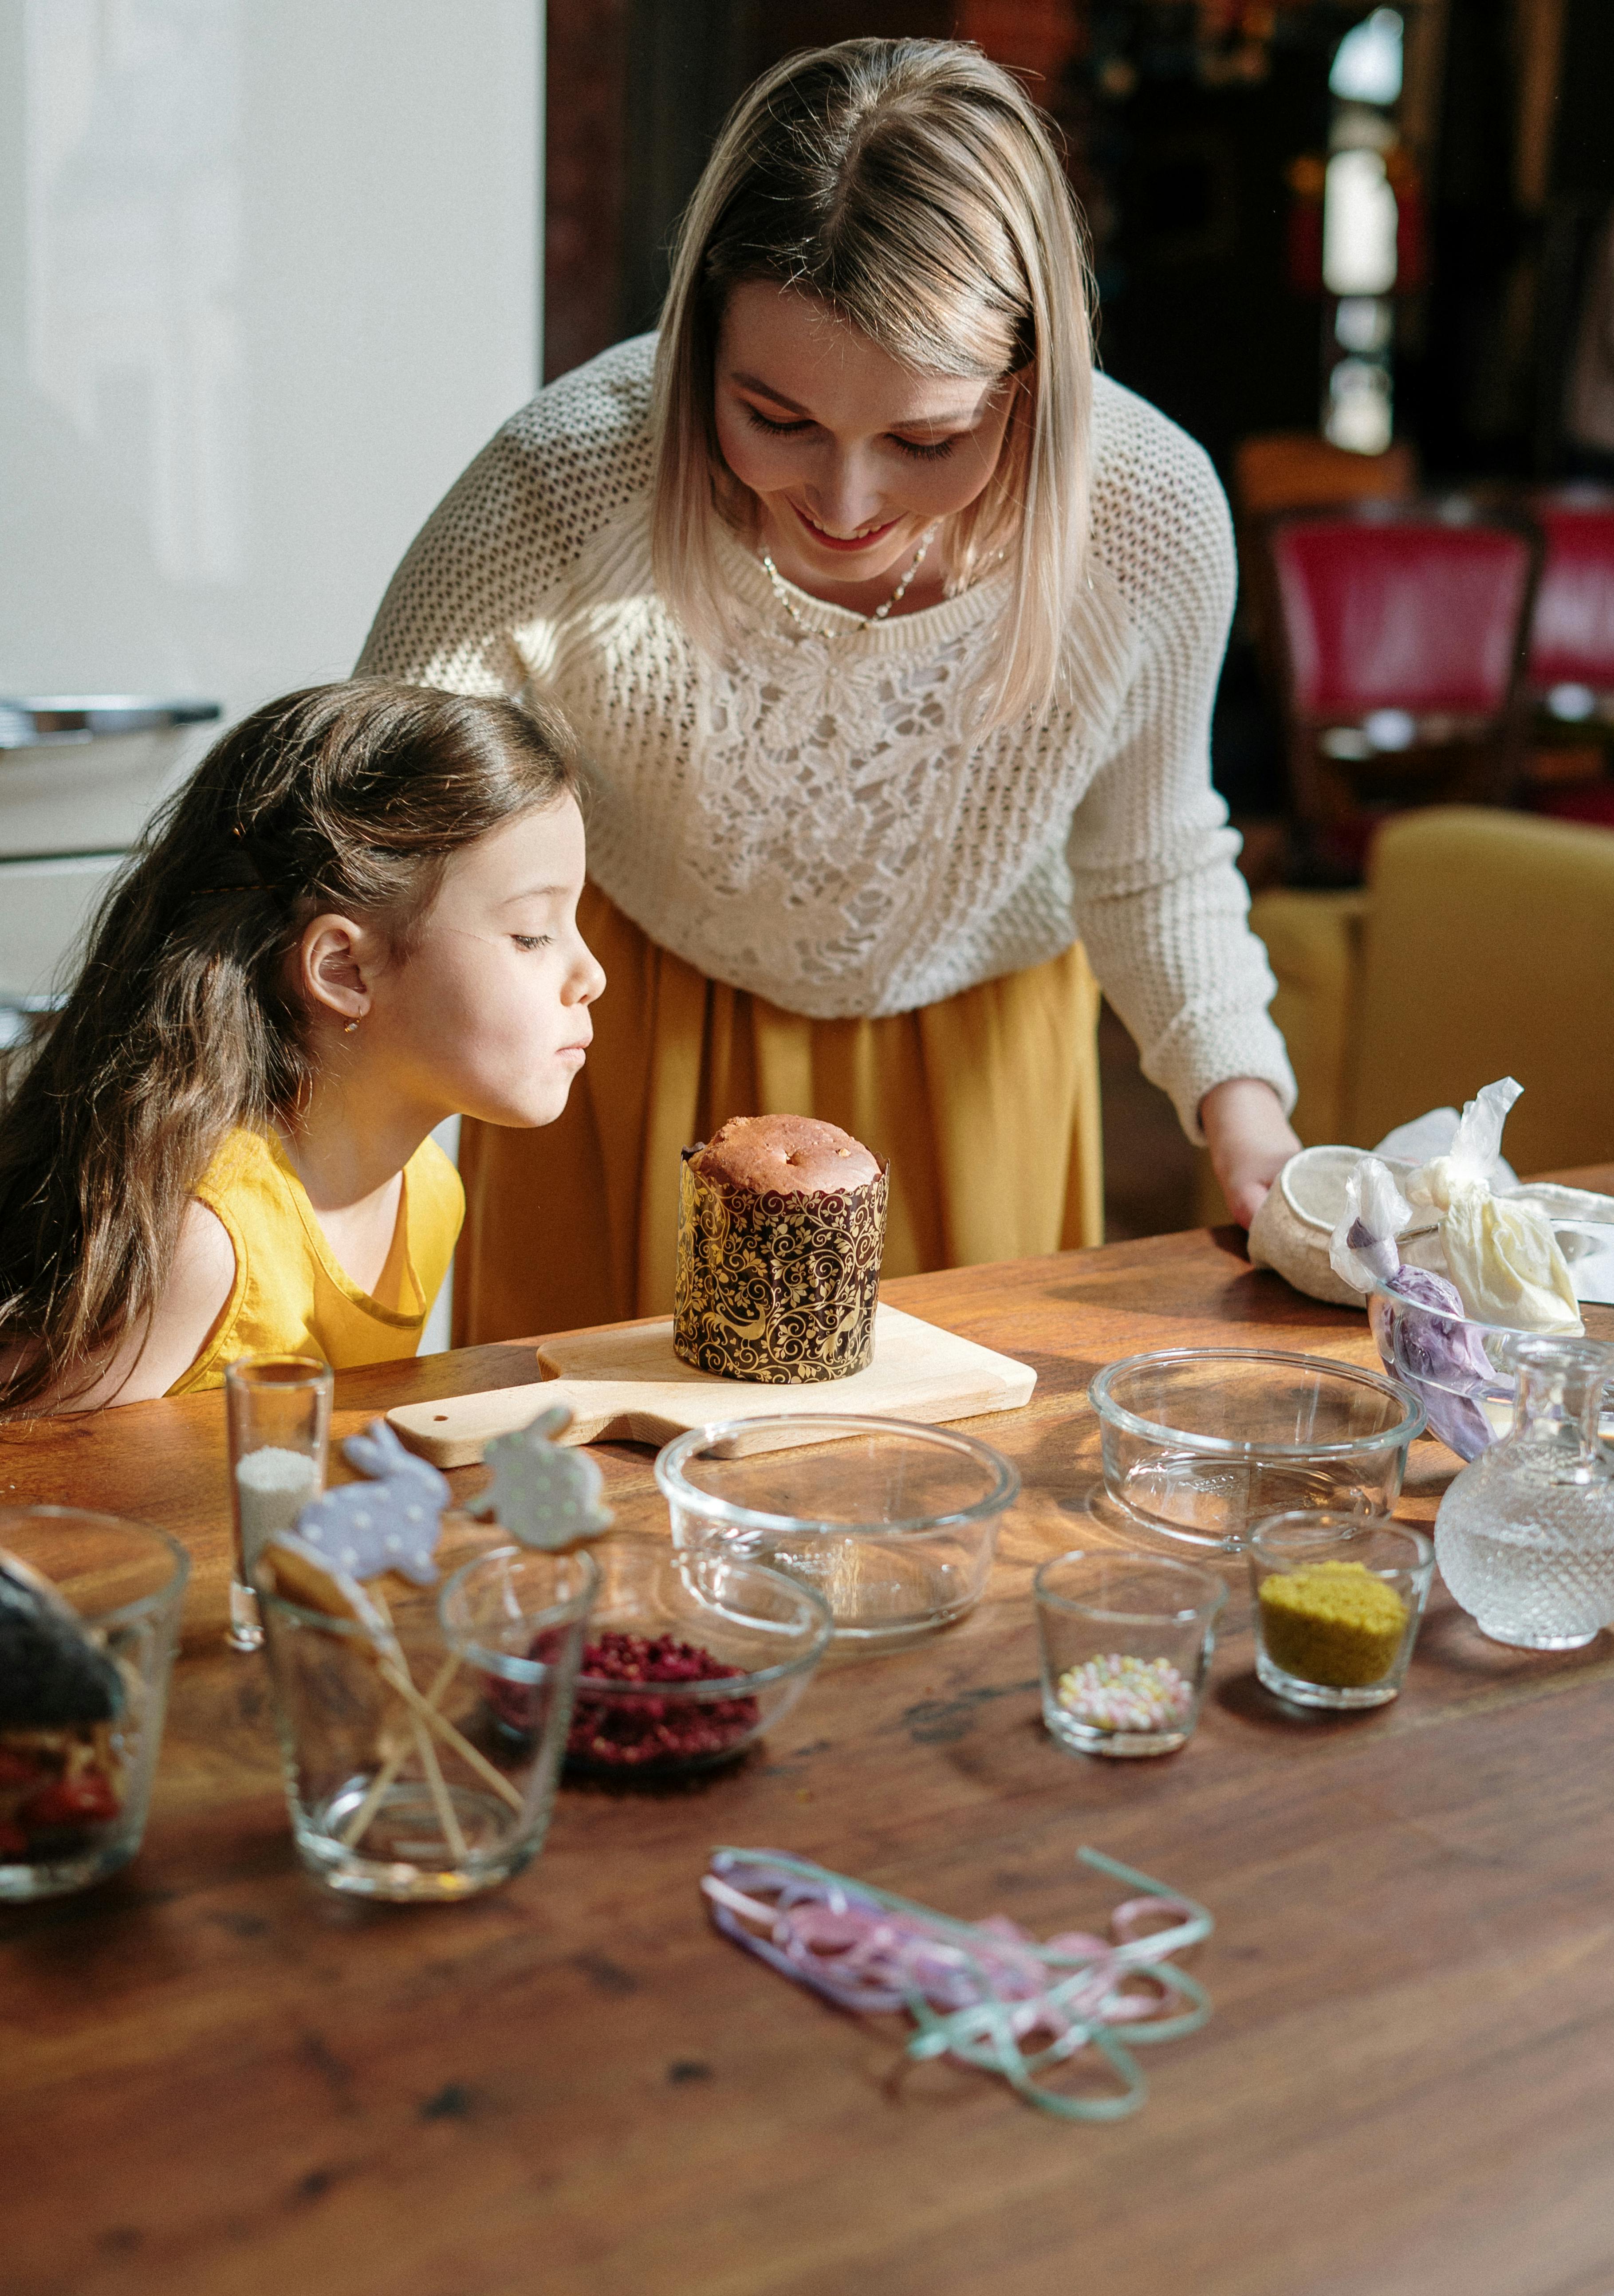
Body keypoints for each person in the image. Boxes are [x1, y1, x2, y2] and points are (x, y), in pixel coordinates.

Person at [360, 36, 1299, 1347]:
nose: (846, 503)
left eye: (926, 439)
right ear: (697, 352)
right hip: (622, 1051)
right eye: (775, 418)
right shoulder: (563, 483)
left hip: (974, 1072)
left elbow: (1149, 859)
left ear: (1031, 386)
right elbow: (366, 833)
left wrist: (1245, 1114)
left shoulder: (1146, 520)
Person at [0, 681, 602, 1410]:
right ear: (343, 970)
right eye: (532, 933)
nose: (591, 974)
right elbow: (33, 1501)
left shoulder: (429, 1195)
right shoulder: (203, 1248)